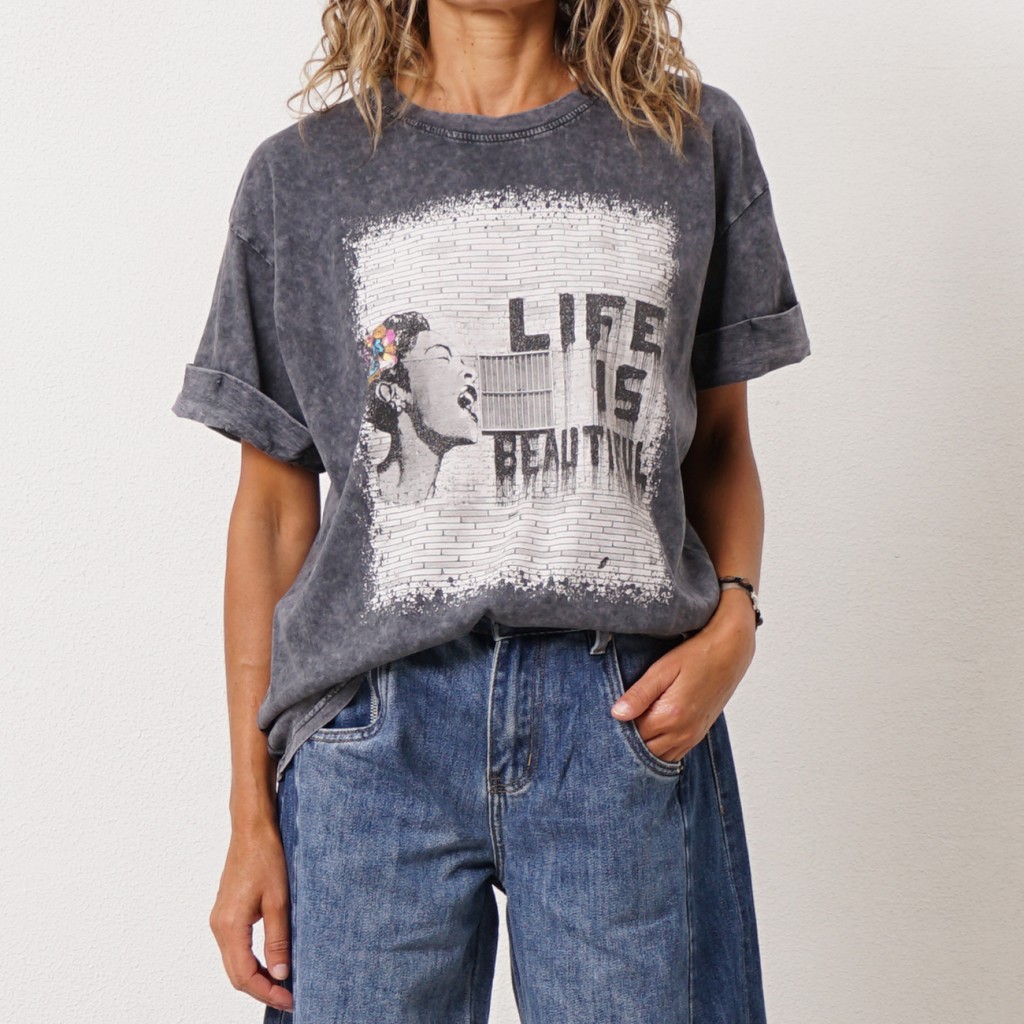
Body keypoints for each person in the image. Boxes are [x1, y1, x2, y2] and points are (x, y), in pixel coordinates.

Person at [170, 0, 812, 1020]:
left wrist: (736, 614)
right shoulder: (303, 177)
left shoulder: (689, 142)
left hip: (623, 726)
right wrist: (251, 814)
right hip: (371, 743)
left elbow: (721, 443)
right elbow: (271, 516)